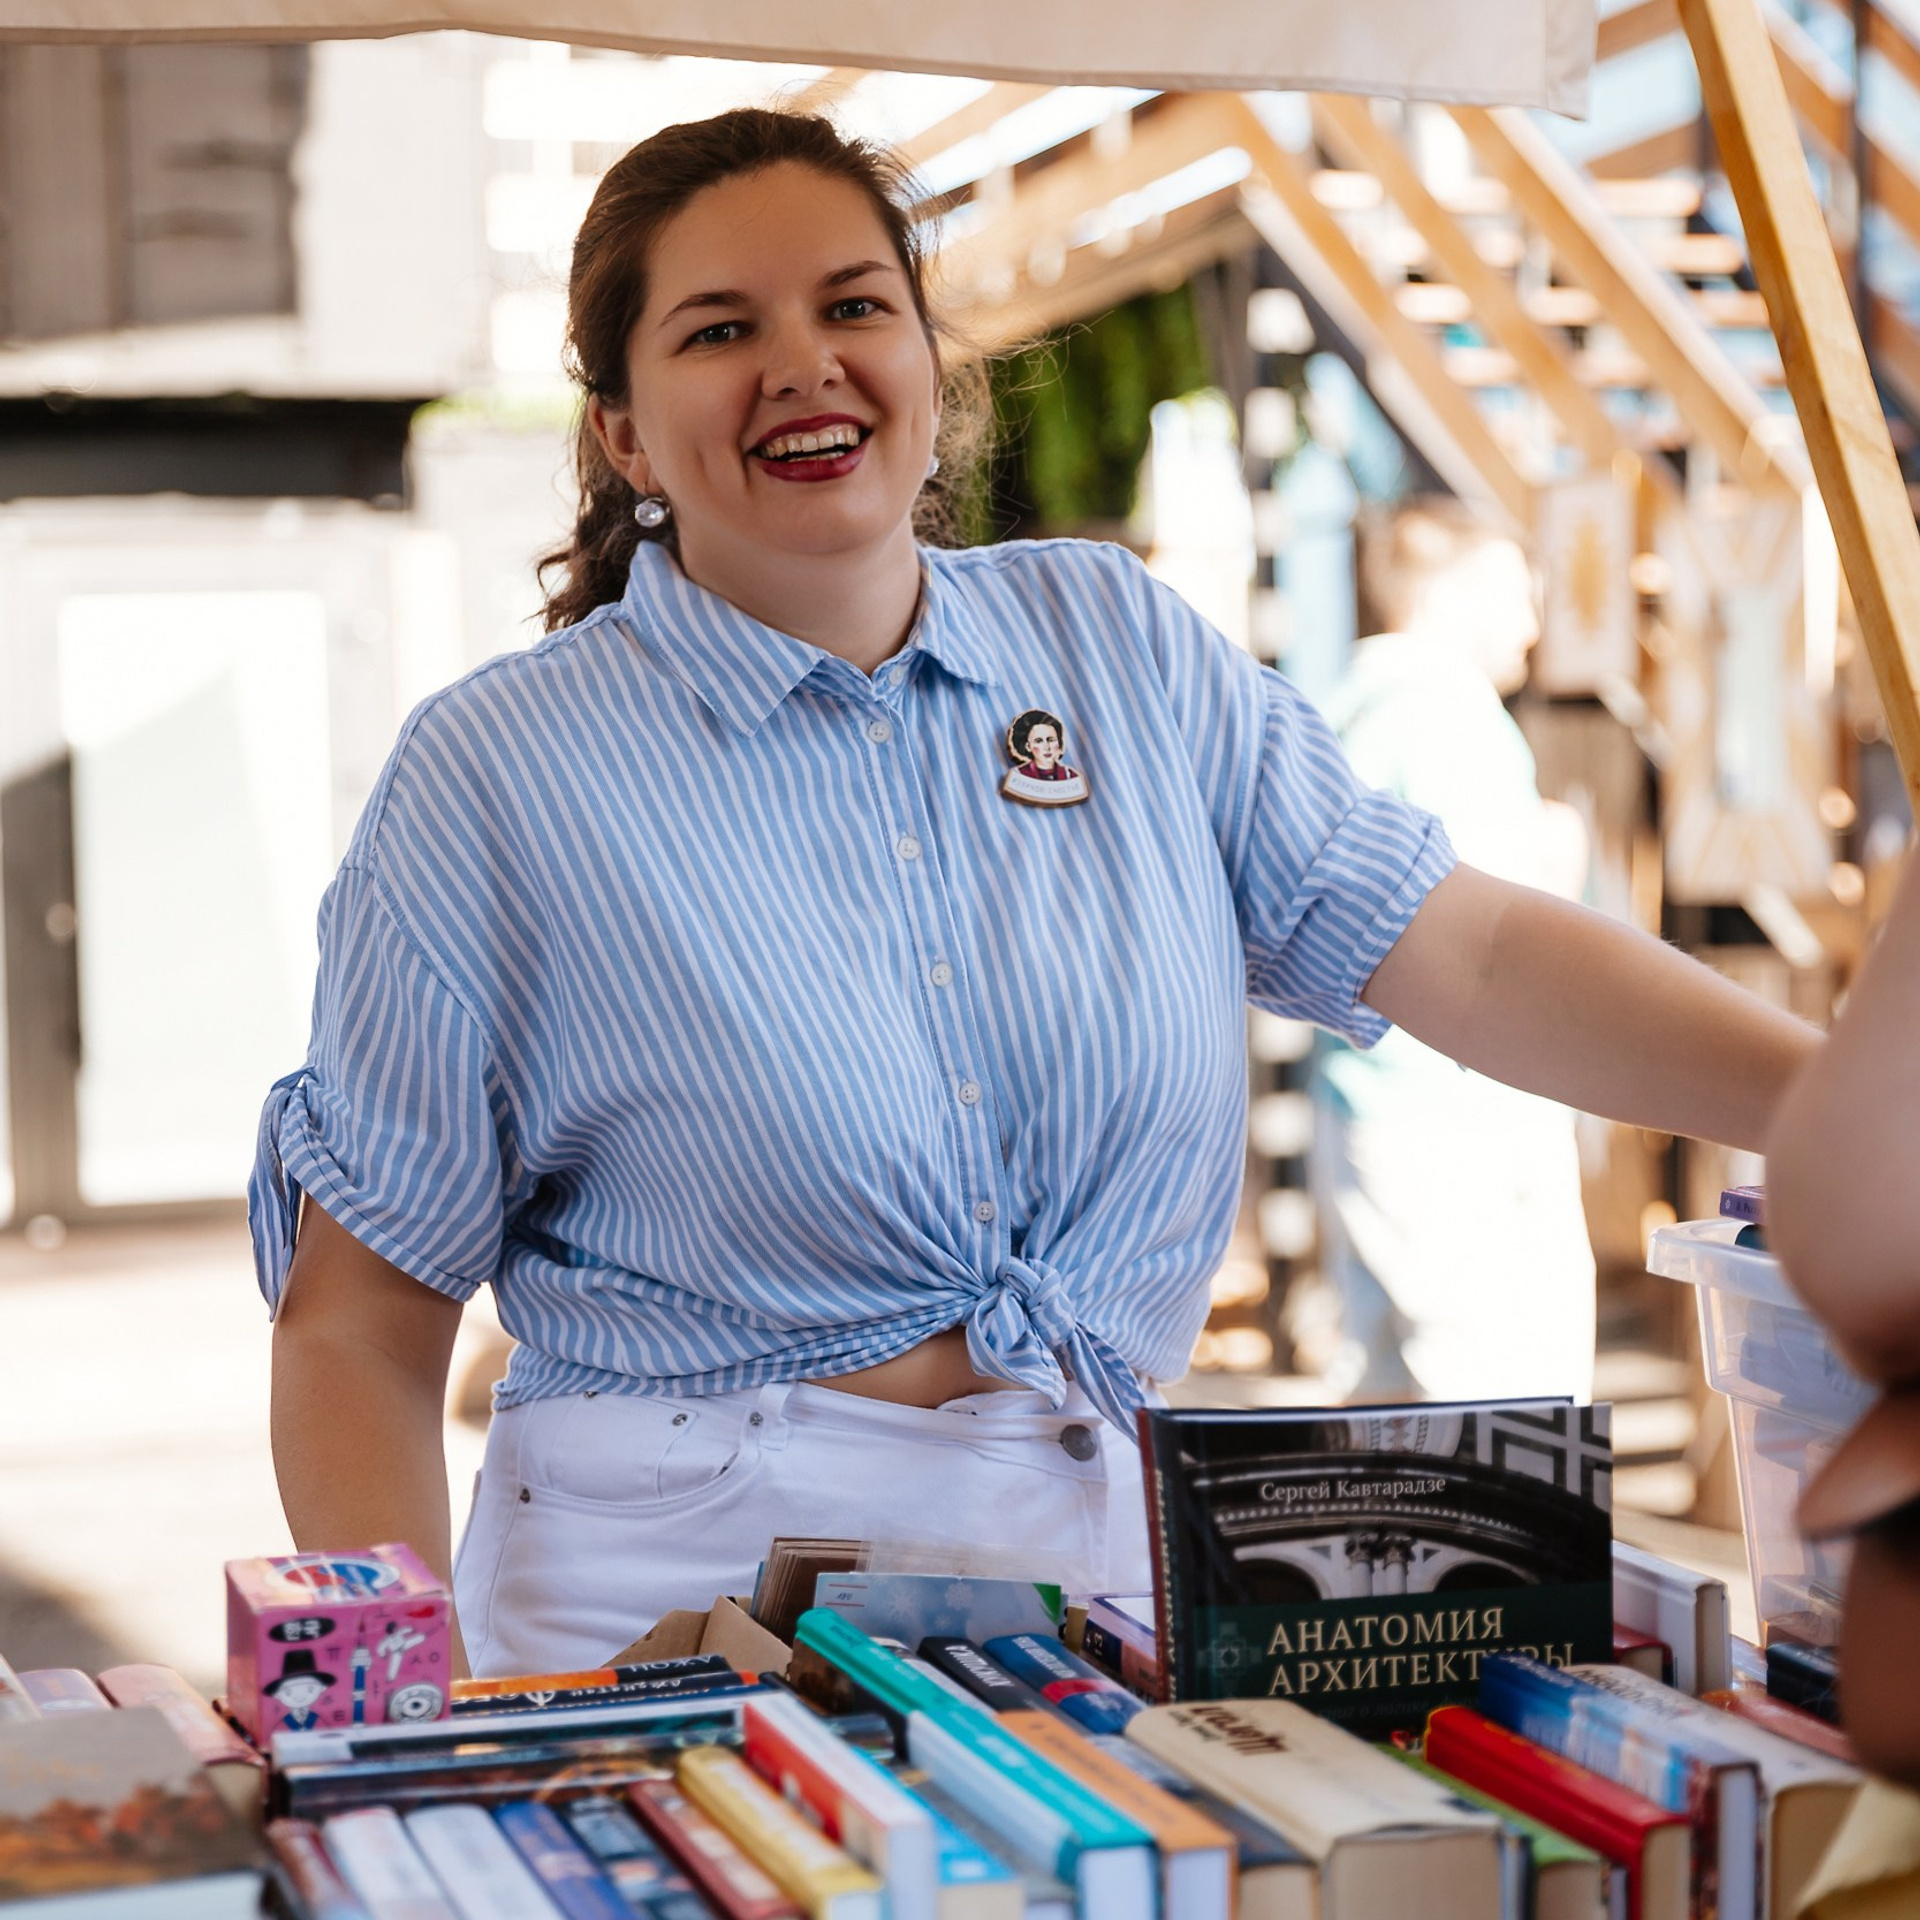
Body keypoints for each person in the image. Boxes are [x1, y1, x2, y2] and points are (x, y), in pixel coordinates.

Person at [257, 108, 1820, 1680]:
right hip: (661, 1619)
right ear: (624, 437)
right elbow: (357, 1333)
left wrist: (1833, 1114)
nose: (803, 361)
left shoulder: (1119, 644)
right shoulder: (494, 775)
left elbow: (1470, 953)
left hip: (1090, 1591)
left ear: (931, 371)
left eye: (854, 305)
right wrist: (419, 1718)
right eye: (722, 328)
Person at [1310, 502, 1599, 1402]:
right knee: (1501, 1391)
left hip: (1371, 1094)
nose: (1532, 627)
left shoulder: (1347, 702)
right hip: (1460, 1111)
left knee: (1392, 1394)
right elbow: (1489, 923)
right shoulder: (1441, 708)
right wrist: (1558, 850)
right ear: (1456, 590)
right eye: (1518, 594)